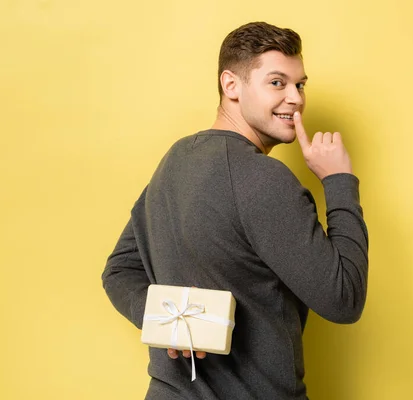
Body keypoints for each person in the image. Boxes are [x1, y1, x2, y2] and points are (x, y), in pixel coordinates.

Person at [101, 21, 369, 400]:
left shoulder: (176, 159)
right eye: (277, 83)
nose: (295, 98)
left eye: (300, 84)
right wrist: (339, 180)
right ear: (231, 86)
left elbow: (118, 270)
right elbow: (344, 299)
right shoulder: (263, 178)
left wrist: (173, 320)